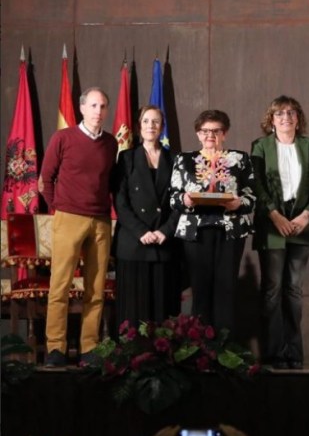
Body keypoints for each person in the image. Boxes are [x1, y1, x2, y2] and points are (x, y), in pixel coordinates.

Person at [38, 87, 118, 367]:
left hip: (101, 221)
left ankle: (89, 347)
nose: (98, 111)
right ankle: (56, 348)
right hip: (68, 218)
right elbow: (46, 179)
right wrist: (58, 208)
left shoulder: (110, 143)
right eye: (93, 105)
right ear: (82, 108)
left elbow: (109, 182)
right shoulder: (63, 138)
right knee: (60, 286)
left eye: (103, 106)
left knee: (96, 288)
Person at [250, 96, 309, 369]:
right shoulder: (260, 146)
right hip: (272, 224)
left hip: (301, 225)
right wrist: (275, 216)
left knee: (293, 290)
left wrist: (307, 215)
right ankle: (273, 354)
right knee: (272, 290)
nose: (286, 118)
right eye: (280, 113)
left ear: (298, 118)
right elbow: (257, 186)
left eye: (291, 113)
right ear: (271, 119)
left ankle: (294, 353)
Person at [169, 110, 256, 334]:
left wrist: (238, 204)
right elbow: (173, 198)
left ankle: (224, 345)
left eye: (216, 131)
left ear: (224, 134)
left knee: (226, 289)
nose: (210, 135)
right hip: (195, 232)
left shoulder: (240, 159)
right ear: (198, 134)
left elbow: (252, 197)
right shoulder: (184, 160)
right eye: (205, 131)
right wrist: (185, 200)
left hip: (230, 231)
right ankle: (200, 345)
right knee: (200, 289)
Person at [113, 105, 182, 326]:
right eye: (146, 121)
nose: (150, 126)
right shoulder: (126, 158)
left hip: (164, 242)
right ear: (138, 126)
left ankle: (162, 347)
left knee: (163, 308)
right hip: (134, 242)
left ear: (162, 127)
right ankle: (132, 347)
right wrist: (141, 231)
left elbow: (180, 202)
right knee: (134, 309)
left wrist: (165, 231)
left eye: (156, 121)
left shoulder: (175, 159)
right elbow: (120, 202)